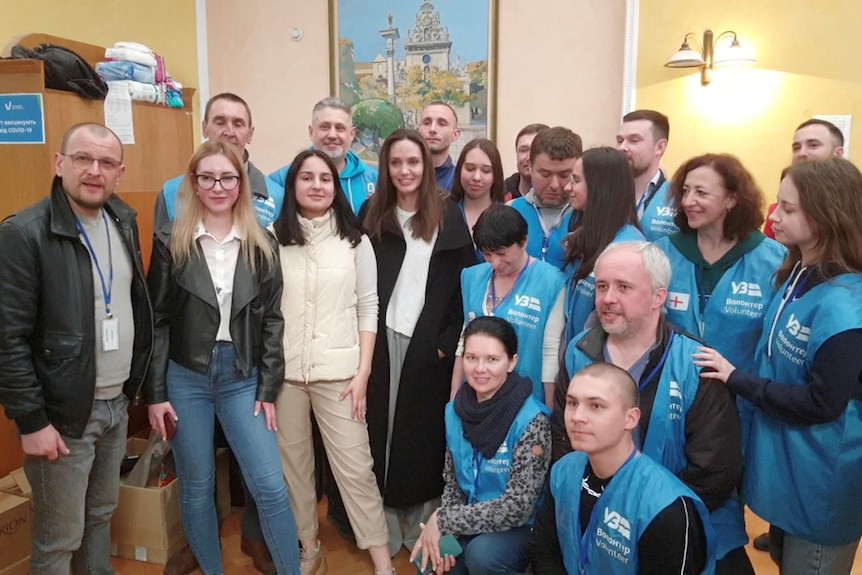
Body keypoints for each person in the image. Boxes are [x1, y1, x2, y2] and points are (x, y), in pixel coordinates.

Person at [694, 158, 862, 575]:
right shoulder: (800, 269)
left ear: (826, 216)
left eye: (789, 209)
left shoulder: (846, 305)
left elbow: (823, 403)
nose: (775, 215)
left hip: (822, 480)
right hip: (791, 471)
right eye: (777, 204)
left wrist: (737, 379)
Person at [0, 122, 153, 575]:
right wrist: (31, 420)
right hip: (63, 417)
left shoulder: (123, 220)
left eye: (106, 163)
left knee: (100, 517)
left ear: (119, 173)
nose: (94, 171)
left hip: (116, 405)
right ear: (59, 163)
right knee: (58, 538)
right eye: (83, 158)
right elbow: (7, 337)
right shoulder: (25, 233)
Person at [144, 141, 300, 575]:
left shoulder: (261, 243)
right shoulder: (169, 241)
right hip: (184, 377)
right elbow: (156, 321)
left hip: (241, 376)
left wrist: (268, 386)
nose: (218, 186)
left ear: (241, 184)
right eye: (207, 177)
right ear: (193, 183)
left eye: (227, 177)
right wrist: (155, 393)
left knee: (269, 486)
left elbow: (271, 321)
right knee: (198, 487)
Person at [555, 241, 749, 574]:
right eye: (602, 286)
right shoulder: (579, 351)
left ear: (658, 297)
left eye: (623, 287)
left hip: (678, 522)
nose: (607, 298)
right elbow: (563, 438)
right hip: (596, 513)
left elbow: (715, 471)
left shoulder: (696, 364)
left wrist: (643, 513)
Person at [272, 149, 394, 575]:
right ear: (293, 186)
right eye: (306, 177)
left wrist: (363, 372)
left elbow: (368, 306)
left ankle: (381, 561)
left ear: (336, 186)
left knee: (356, 469)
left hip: (341, 374)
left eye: (325, 178)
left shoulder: (355, 241)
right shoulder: (274, 238)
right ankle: (309, 548)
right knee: (295, 469)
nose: (317, 185)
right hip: (285, 375)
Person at [359, 128, 476, 556]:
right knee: (381, 434)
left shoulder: (449, 215)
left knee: (423, 438)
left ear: (426, 167)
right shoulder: (372, 214)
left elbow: (466, 287)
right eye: (396, 163)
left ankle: (422, 528)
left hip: (429, 347)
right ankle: (385, 530)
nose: (405, 171)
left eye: (413, 162)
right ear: (385, 169)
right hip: (381, 340)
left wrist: (446, 343)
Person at [530, 362, 715, 574]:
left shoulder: (665, 507)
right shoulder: (563, 471)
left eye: (596, 406)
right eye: (572, 403)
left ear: (631, 418)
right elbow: (545, 551)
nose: (577, 416)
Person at [654, 154, 785, 452]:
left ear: (731, 199)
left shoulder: (773, 260)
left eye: (701, 192)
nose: (688, 201)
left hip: (742, 406)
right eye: (685, 191)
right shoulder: (662, 254)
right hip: (673, 401)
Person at [411, 317, 551, 575]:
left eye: (492, 360)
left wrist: (442, 520)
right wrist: (446, 534)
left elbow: (518, 508)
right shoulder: (454, 412)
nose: (480, 368)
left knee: (482, 556)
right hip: (471, 519)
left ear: (512, 362)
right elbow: (453, 483)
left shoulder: (532, 420)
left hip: (517, 529)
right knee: (430, 560)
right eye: (471, 358)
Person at [453, 205, 565, 408]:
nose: (495, 263)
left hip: (524, 401)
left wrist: (549, 411)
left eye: (502, 253)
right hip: (474, 398)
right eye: (487, 254)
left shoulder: (551, 282)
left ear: (524, 241)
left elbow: (550, 353)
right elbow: (463, 343)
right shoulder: (472, 277)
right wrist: (453, 403)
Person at [156, 92, 284, 230]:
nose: (229, 132)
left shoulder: (275, 196)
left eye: (238, 124)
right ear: (204, 128)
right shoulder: (171, 193)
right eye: (220, 122)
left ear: (250, 134)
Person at [562, 147, 645, 340]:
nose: (567, 188)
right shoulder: (584, 236)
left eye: (576, 180)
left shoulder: (629, 249)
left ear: (599, 187)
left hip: (604, 363)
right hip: (577, 358)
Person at [271, 97, 378, 214]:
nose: (332, 135)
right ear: (311, 132)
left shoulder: (376, 181)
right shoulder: (280, 181)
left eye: (340, 128)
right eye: (324, 127)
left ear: (352, 134)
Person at [508, 126, 582, 270]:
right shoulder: (510, 212)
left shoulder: (589, 217)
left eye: (564, 175)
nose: (554, 185)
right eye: (545, 174)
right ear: (529, 166)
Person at [763, 118, 844, 239]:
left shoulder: (853, 206)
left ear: (837, 153)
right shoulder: (777, 213)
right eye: (796, 147)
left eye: (813, 145)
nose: (802, 153)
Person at [616, 109, 677, 240]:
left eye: (634, 140)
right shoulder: (605, 192)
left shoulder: (678, 198)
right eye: (620, 140)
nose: (622, 147)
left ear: (659, 147)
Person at [448, 138, 506, 261]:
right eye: (469, 168)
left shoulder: (507, 216)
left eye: (486, 170)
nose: (476, 177)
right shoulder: (444, 214)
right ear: (459, 171)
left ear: (496, 174)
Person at [418, 101, 462, 192]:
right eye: (427, 123)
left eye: (442, 124)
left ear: (455, 135)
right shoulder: (404, 178)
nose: (432, 129)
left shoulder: (461, 182)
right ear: (418, 131)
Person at [503, 123, 549, 201]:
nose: (529, 157)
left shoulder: (565, 197)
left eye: (536, 150)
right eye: (523, 150)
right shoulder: (500, 197)